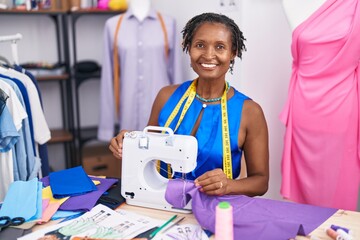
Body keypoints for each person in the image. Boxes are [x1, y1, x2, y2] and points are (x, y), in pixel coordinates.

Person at [110, 12, 269, 197]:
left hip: (216, 210)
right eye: (200, 45)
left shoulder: (250, 112)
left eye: (220, 47)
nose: (209, 55)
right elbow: (147, 154)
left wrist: (229, 185)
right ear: (188, 48)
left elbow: (261, 182)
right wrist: (128, 143)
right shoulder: (166, 96)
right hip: (160, 204)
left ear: (233, 53)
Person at [280, 0, 360, 210]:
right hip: (303, 107)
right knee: (301, 194)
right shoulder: (291, 2)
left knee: (339, 187)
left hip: (342, 108)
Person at [98, 0, 183, 141]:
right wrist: (106, 129)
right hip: (127, 111)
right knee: (130, 158)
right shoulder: (112, 26)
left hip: (162, 113)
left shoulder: (169, 24)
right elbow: (108, 78)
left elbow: (177, 73)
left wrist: (181, 119)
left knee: (160, 159)